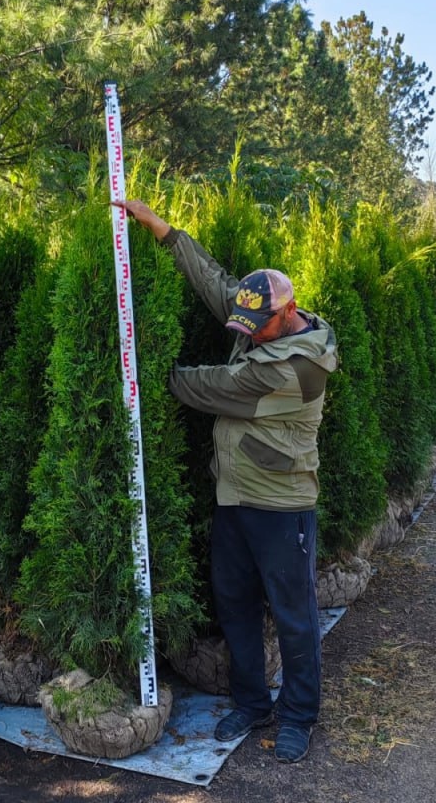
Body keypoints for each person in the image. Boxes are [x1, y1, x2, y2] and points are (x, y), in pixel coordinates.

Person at [116, 199, 338, 764]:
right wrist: (165, 233)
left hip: (281, 505)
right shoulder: (263, 321)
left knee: (294, 615)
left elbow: (205, 386)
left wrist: (128, 361)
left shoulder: (295, 368)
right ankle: (250, 701)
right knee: (233, 601)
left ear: (285, 315)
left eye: (253, 326)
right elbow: (217, 283)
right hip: (233, 496)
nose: (243, 332)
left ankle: (298, 715)